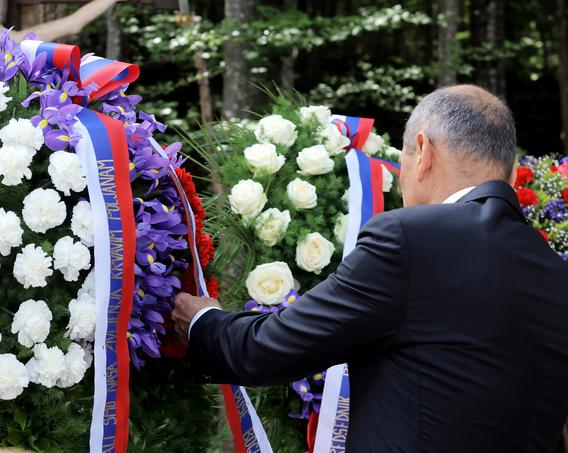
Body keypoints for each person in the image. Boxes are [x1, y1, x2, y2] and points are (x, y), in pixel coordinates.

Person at [171, 85, 568, 452]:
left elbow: (268, 348)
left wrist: (201, 320)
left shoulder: (411, 238)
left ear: (423, 151)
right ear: (511, 172)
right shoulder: (553, 270)